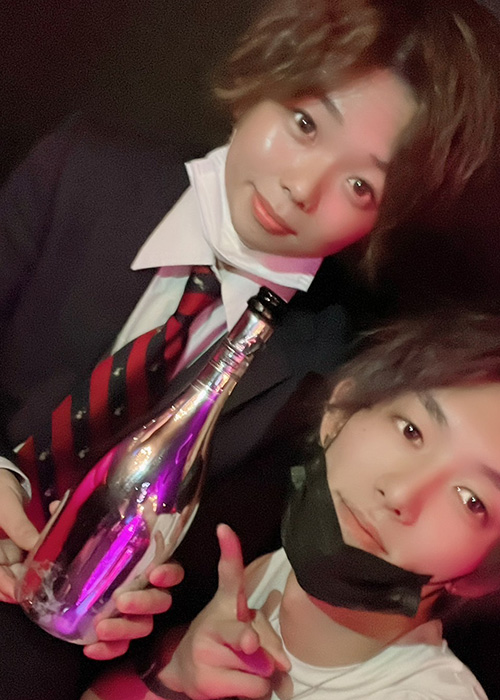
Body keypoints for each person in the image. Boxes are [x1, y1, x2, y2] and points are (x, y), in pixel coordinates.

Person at [1, 0, 500, 697]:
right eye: (305, 124)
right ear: (263, 79)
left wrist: (149, 627)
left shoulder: (333, 368)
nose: (301, 188)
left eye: (360, 184)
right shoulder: (81, 175)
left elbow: (219, 579)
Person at [85, 309, 500, 700]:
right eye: (411, 431)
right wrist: (177, 670)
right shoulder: (270, 575)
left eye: (472, 500)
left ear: (481, 576)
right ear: (339, 412)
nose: (400, 494)